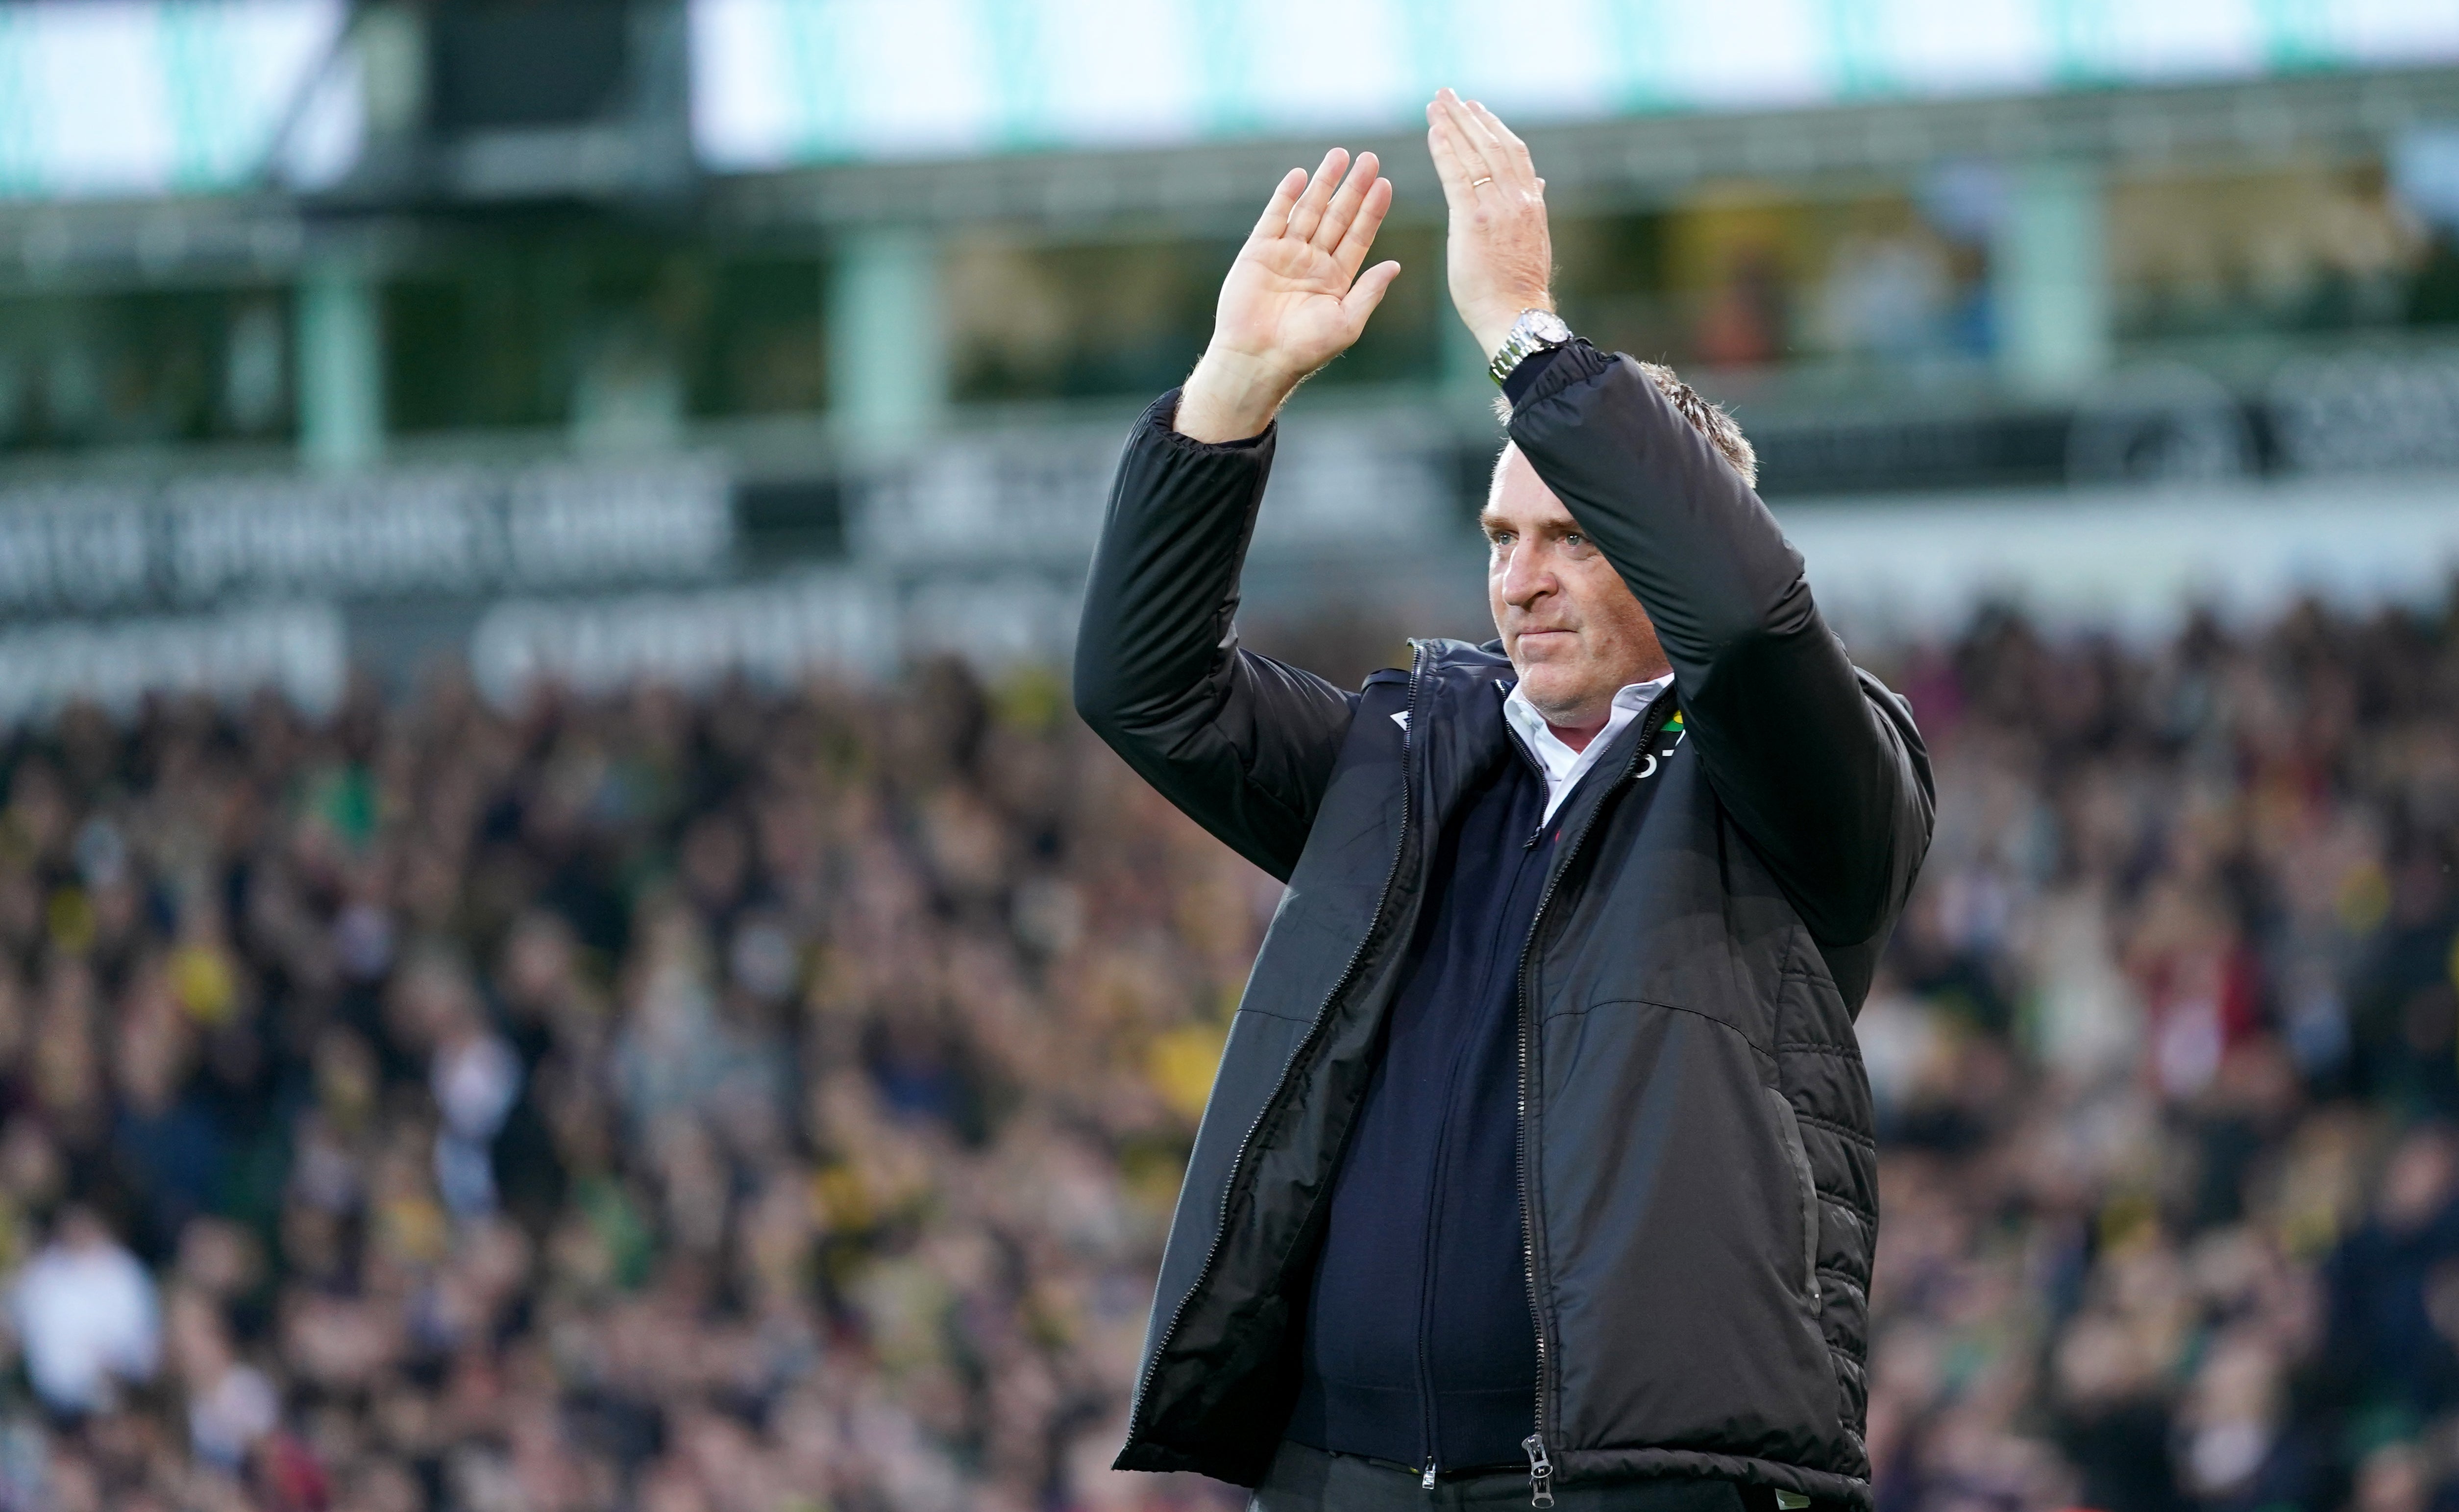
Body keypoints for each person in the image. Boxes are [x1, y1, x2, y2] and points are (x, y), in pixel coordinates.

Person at [1074, 90, 1936, 1512]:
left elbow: (1750, 618)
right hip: (1349, 1483)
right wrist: (1230, 389)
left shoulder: (1804, 789)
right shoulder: (1406, 761)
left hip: (1632, 1487)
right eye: (1498, 537)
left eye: (1570, 538)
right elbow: (1142, 685)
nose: (1517, 578)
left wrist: (1529, 335)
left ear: (1664, 548)